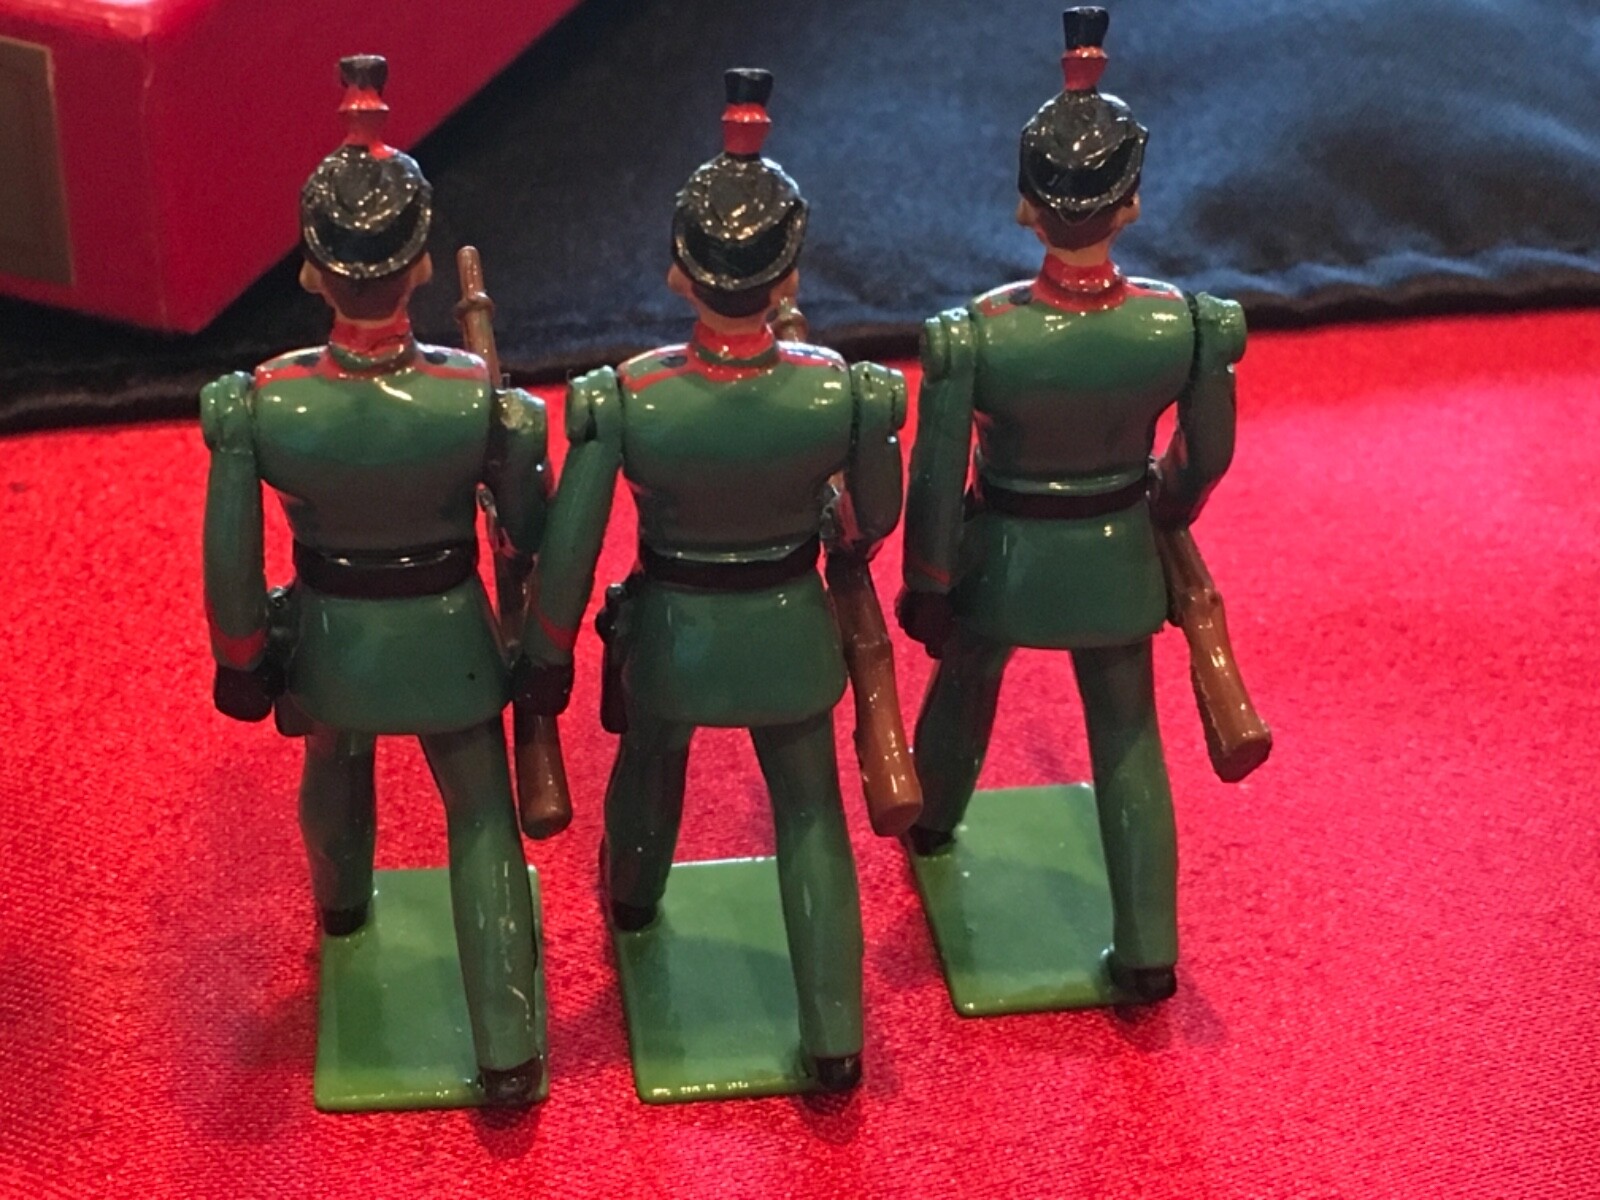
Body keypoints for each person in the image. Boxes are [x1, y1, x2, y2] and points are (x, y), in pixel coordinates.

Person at [520, 69, 906, 1091]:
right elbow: (872, 521)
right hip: (790, 624)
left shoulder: (629, 396)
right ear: (788, 277)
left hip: (676, 633)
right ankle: (835, 1035)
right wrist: (824, 515)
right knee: (810, 813)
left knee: (652, 761)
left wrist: (545, 653)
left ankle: (634, 898)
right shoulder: (842, 392)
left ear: (678, 274)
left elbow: (573, 542)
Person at [200, 56, 548, 1103]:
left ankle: (343, 905)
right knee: (479, 814)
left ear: (313, 271)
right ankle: (507, 1048)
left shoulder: (263, 401)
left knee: (336, 758)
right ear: (423, 264)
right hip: (449, 635)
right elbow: (525, 529)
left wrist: (244, 656)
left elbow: (230, 553)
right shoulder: (473, 395)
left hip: (329, 638)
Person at [896, 8, 1245, 1004]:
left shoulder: (978, 334)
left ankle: (932, 821)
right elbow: (1207, 456)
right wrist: (1164, 506)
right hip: (1118, 550)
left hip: (1002, 552)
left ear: (1025, 206)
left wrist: (929, 581)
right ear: (1129, 204)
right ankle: (1147, 946)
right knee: (1127, 738)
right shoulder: (1182, 325)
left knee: (967, 676)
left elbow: (934, 477)